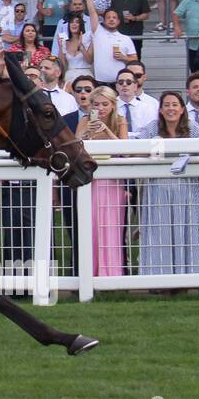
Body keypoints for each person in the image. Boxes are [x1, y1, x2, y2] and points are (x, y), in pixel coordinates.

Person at [135, 92, 199, 275]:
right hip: (158, 190)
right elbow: (134, 151)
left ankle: (188, 276)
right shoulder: (152, 128)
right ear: (160, 109)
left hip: (187, 191)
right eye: (166, 105)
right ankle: (158, 277)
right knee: (160, 234)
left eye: (175, 105)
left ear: (182, 109)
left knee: (187, 233)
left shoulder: (192, 129)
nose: (170, 109)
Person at [76, 86, 128, 276]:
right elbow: (74, 147)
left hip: (112, 181)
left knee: (111, 228)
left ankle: (112, 274)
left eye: (105, 104)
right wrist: (84, 135)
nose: (101, 108)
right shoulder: (84, 121)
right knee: (91, 227)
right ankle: (90, 273)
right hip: (90, 180)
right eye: (96, 104)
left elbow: (124, 150)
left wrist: (106, 131)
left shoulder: (121, 121)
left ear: (113, 105)